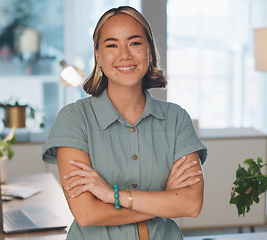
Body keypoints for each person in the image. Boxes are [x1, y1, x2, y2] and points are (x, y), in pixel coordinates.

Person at [42, 6, 207, 240]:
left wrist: (113, 196)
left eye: (135, 43)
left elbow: (191, 204)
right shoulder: (74, 119)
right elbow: (88, 213)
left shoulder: (177, 119)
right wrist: (165, 198)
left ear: (149, 52)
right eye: (111, 45)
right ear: (98, 56)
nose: (125, 55)